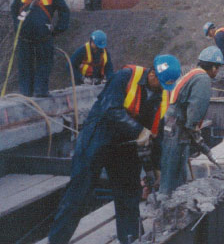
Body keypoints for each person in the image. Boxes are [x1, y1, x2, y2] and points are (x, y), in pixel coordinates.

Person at [48, 55, 181, 244]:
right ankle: (57, 240)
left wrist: (156, 166)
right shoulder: (126, 77)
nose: (161, 88)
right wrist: (138, 130)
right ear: (152, 73)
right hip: (98, 138)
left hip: (124, 146)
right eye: (160, 82)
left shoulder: (162, 96)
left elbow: (156, 134)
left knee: (129, 195)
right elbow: (110, 110)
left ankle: (131, 239)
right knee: (78, 195)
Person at [159, 46, 224, 196]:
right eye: (218, 68)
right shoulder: (203, 79)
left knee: (172, 170)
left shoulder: (193, 74)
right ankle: (168, 207)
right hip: (179, 129)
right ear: (213, 67)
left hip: (172, 126)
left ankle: (173, 200)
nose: (218, 71)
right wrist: (194, 132)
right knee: (172, 174)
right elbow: (195, 111)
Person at [10, 0, 70, 97]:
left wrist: (18, 26)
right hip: (42, 30)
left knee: (25, 61)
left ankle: (26, 92)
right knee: (44, 60)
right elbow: (65, 11)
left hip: (24, 29)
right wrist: (57, 30)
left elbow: (13, 8)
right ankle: (40, 91)